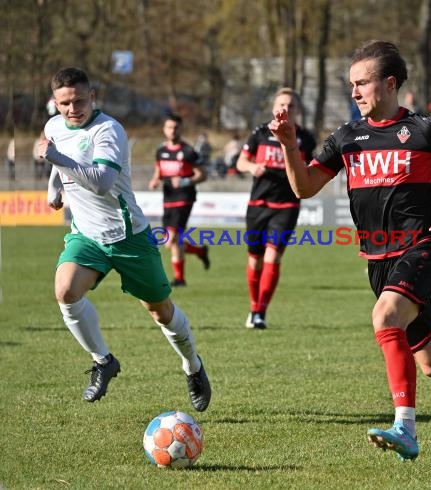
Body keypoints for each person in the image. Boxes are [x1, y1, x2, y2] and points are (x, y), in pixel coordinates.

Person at [269, 40, 431, 461]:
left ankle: (405, 429)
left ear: (389, 84)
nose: (354, 93)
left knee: (385, 316)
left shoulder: (428, 130)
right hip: (378, 262)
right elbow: (304, 187)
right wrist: (287, 146)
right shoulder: (346, 138)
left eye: (362, 83)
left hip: (423, 248)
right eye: (351, 85)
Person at [38, 67, 211, 411]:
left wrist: (54, 157)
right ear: (55, 103)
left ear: (93, 97)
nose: (73, 109)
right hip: (87, 235)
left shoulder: (109, 131)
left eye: (79, 100)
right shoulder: (53, 126)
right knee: (66, 291)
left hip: (128, 235)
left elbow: (101, 182)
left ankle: (193, 366)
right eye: (64, 103)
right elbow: (56, 158)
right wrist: (54, 186)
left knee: (160, 312)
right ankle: (103, 361)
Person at [236, 87, 316, 329]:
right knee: (255, 260)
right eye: (282, 104)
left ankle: (260, 312)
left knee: (273, 255)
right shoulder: (260, 133)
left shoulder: (305, 138)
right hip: (258, 204)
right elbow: (241, 162)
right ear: (274, 108)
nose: (286, 109)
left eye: (291, 105)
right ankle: (253, 306)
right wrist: (252, 168)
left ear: (297, 110)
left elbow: (309, 167)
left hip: (287, 205)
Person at [148, 114, 210, 287]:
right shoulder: (161, 151)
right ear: (164, 129)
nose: (172, 131)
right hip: (168, 199)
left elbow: (203, 174)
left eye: (176, 127)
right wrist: (155, 180)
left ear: (181, 129)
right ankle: (199, 251)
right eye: (169, 127)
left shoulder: (189, 151)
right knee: (173, 242)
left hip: (184, 198)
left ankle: (180, 278)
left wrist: (185, 181)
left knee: (171, 240)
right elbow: (158, 171)